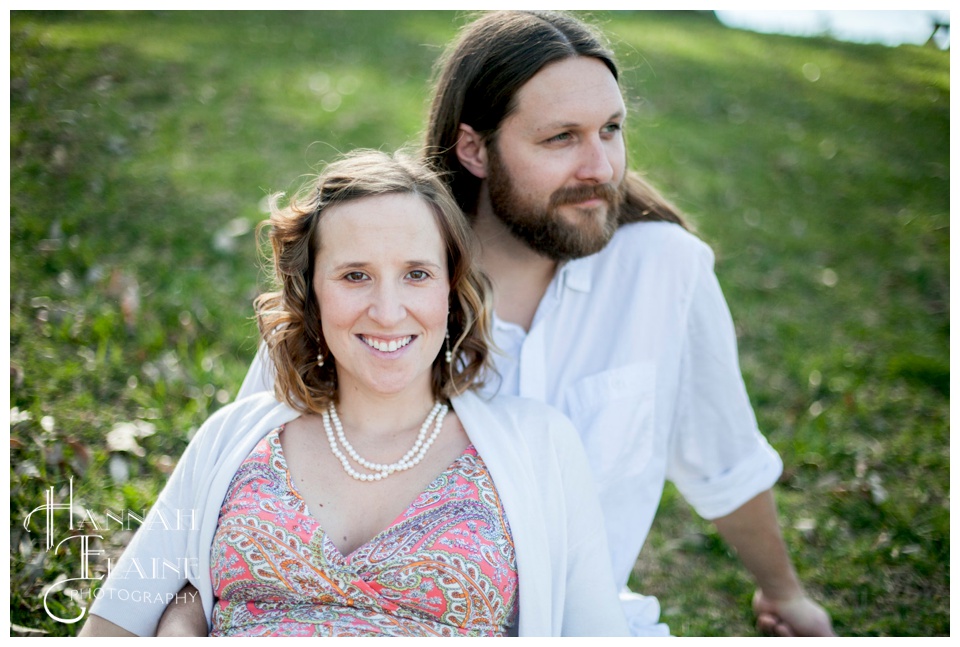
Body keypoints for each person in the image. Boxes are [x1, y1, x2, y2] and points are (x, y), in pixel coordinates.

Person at [233, 11, 836, 637]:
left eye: (611, 130)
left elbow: (723, 456)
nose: (599, 167)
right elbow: (241, 464)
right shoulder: (388, 287)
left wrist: (784, 594)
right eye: (561, 139)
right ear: (474, 149)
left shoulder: (665, 269)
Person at [77, 150, 629, 637]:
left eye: (416, 274)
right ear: (311, 292)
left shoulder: (539, 446)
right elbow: (117, 622)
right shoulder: (234, 436)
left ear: (450, 289)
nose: (388, 312)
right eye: (354, 276)